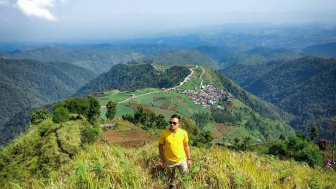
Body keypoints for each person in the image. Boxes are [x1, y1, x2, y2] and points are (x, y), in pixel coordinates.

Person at [158, 114, 191, 188]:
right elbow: (160, 146)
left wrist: (188, 159)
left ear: (179, 123)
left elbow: (186, 146)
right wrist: (163, 158)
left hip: (181, 160)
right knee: (171, 180)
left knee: (185, 178)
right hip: (169, 161)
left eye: (174, 123)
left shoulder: (183, 133)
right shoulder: (164, 134)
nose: (172, 124)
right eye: (170, 122)